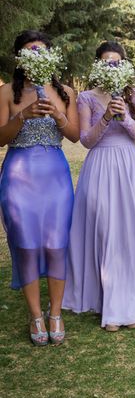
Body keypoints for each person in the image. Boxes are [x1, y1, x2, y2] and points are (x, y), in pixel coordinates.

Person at [63, 41, 135, 332]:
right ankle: (108, 304)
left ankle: (130, 302)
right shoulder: (86, 97)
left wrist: (124, 115)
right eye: (106, 62)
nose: (111, 66)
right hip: (99, 165)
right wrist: (105, 117)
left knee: (129, 232)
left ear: (123, 65)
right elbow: (86, 140)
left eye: (116, 62)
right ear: (98, 65)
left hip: (129, 165)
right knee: (104, 230)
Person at [0, 30, 79, 345]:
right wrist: (22, 116)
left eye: (42, 51)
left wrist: (58, 114)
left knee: (56, 244)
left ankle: (55, 312)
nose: (36, 56)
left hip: (55, 177)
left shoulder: (66, 91)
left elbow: (74, 135)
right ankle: (35, 316)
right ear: (20, 58)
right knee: (28, 245)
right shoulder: (6, 92)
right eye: (30, 51)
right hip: (19, 176)